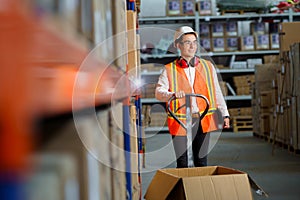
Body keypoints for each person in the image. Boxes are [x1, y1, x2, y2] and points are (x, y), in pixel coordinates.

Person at [155, 26, 230, 168]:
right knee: (182, 162)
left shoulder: (208, 67)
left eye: (194, 42)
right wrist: (171, 95)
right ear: (178, 45)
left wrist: (225, 114)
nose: (192, 46)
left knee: (201, 160)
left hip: (203, 118)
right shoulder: (169, 69)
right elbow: (158, 92)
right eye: (188, 42)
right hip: (180, 120)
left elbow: (217, 92)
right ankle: (184, 189)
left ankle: (200, 189)